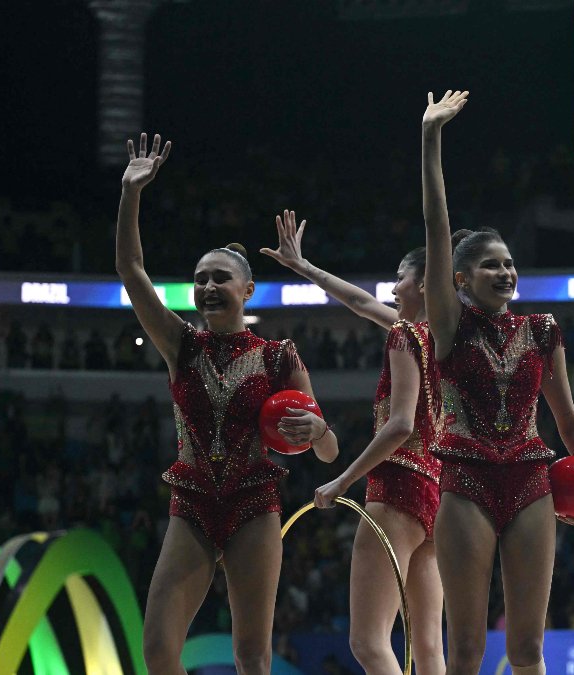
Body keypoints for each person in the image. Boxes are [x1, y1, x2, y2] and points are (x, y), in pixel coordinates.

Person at [115, 133, 339, 674]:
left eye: (221, 278)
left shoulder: (279, 356)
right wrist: (131, 194)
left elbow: (328, 452)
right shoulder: (179, 344)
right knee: (158, 649)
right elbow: (131, 271)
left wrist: (317, 432)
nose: (208, 286)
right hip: (191, 504)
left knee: (251, 655)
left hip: (253, 508)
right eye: (200, 280)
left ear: (248, 290)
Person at [421, 90, 574, 674]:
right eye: (490, 264)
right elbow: (437, 227)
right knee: (469, 648)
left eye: (509, 263)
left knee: (528, 647)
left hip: (531, 480)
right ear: (459, 279)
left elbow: (567, 417)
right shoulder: (449, 325)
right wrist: (431, 139)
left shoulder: (542, 329)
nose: (504, 271)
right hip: (465, 482)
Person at [261, 210, 445, 674]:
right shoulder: (448, 340)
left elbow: (401, 424)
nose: (392, 288)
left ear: (423, 285)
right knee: (427, 649)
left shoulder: (407, 336)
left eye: (400, 278)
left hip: (397, 488)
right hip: (438, 495)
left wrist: (343, 479)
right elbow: (362, 304)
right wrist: (304, 268)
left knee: (367, 641)